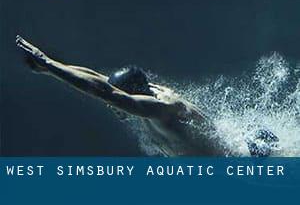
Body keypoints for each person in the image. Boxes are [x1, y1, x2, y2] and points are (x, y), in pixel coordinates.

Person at [15, 35, 278, 156]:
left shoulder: (162, 109)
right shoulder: (146, 94)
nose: (110, 106)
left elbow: (106, 92)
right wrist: (51, 68)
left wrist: (48, 64)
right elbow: (99, 80)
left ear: (132, 95)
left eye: (115, 101)